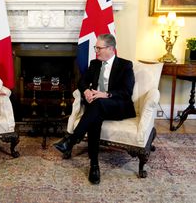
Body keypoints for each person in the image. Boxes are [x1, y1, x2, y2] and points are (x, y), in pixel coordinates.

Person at [53, 34, 136, 184]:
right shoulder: (95, 64)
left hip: (117, 106)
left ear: (111, 49)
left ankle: (71, 140)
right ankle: (94, 165)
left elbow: (127, 91)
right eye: (96, 47)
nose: (96, 51)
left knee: (96, 105)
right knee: (95, 117)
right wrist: (86, 91)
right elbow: (82, 82)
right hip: (96, 106)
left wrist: (105, 94)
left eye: (99, 48)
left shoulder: (125, 65)